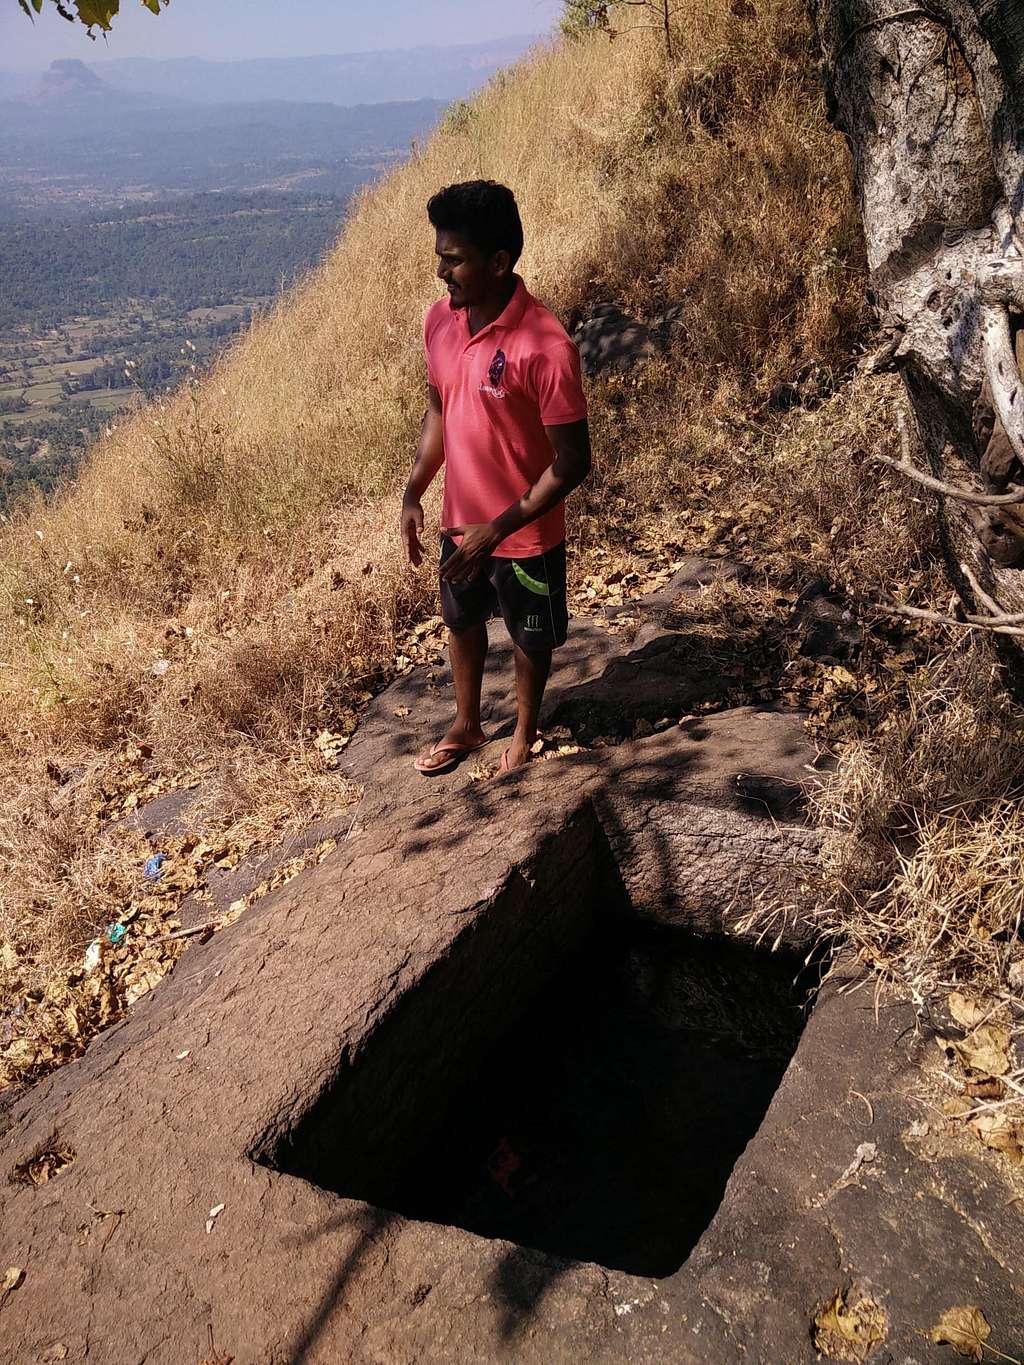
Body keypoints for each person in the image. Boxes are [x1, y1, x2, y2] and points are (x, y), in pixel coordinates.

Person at [401, 179, 592, 775]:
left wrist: (500, 527)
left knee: (529, 635)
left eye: (453, 260)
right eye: (440, 256)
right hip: (461, 523)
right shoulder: (439, 322)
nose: (441, 273)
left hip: (526, 534)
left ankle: (525, 731)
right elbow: (440, 409)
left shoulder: (546, 347)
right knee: (460, 621)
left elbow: (573, 461)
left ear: (500, 261)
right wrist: (414, 491)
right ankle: (467, 721)